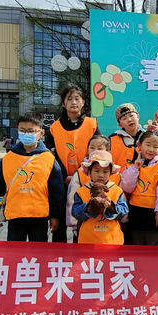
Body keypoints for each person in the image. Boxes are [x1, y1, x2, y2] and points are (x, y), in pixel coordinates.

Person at [0, 112, 65, 242]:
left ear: (41, 133)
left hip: (39, 216)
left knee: (38, 252)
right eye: (22, 130)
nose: (26, 134)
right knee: (15, 251)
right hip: (15, 215)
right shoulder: (8, 158)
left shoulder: (49, 159)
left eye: (31, 131)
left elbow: (57, 191)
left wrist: (55, 216)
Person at [45, 83, 99, 243]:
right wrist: (63, 175)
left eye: (77, 98)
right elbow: (50, 155)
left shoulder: (92, 124)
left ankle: (79, 253)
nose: (73, 102)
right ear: (63, 103)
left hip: (84, 179)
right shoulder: (54, 127)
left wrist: (78, 175)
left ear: (83, 102)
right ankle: (59, 256)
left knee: (82, 219)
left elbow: (98, 150)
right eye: (69, 99)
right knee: (59, 223)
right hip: (60, 181)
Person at [66, 135, 121, 238]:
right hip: (86, 234)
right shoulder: (79, 175)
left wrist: (111, 206)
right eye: (92, 147)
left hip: (110, 236)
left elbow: (123, 208)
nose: (101, 175)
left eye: (99, 148)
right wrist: (75, 222)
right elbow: (72, 201)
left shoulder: (117, 179)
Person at [120, 131, 158, 245]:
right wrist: (135, 169)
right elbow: (127, 188)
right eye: (148, 145)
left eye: (155, 147)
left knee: (155, 247)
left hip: (154, 213)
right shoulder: (131, 165)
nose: (151, 149)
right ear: (139, 145)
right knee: (137, 248)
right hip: (135, 213)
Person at [72, 150, 129, 245]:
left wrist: (110, 205)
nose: (101, 175)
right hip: (87, 239)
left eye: (105, 171)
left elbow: (123, 212)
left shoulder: (117, 190)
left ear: (110, 173)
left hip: (112, 240)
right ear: (89, 172)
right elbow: (75, 212)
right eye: (96, 171)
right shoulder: (81, 191)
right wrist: (89, 207)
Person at [109, 103, 158, 173]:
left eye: (131, 116)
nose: (129, 120)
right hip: (122, 178)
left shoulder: (147, 136)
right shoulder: (112, 139)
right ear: (120, 124)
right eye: (124, 118)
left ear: (138, 116)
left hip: (146, 177)